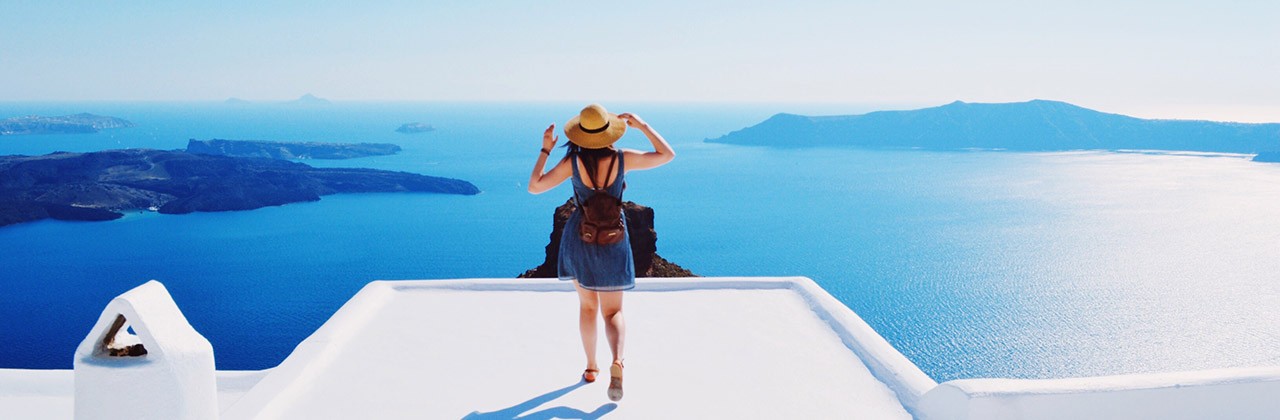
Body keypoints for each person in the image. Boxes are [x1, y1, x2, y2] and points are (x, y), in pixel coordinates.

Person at [527, 103, 675, 402]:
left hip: (580, 238)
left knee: (588, 308)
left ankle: (591, 367)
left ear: (580, 135)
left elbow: (535, 186)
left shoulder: (573, 162)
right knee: (614, 311)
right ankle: (617, 362)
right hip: (614, 239)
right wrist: (643, 125)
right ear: (610, 132)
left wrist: (545, 150)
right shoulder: (623, 159)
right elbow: (667, 155)